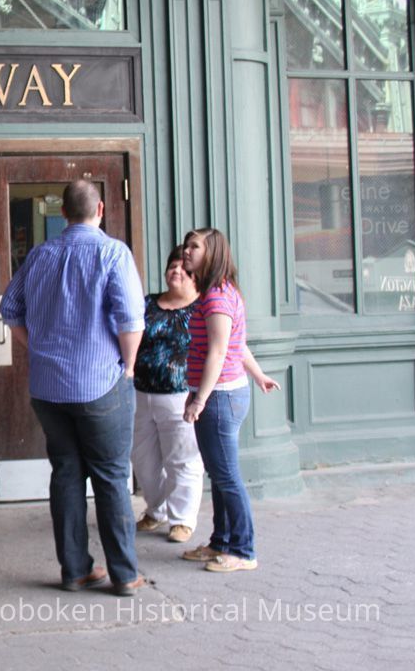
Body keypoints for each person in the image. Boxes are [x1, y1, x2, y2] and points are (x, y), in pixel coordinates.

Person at [0, 180, 146, 596]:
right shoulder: (113, 252)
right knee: (111, 476)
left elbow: (9, 309)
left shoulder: (39, 255)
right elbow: (130, 320)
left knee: (66, 473)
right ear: (100, 209)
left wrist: (38, 348)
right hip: (101, 384)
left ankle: (76, 570)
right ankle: (124, 574)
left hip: (48, 388)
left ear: (62, 212)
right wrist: (129, 366)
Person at [179, 227, 280, 573]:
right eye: (187, 245)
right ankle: (221, 542)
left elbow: (219, 351)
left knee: (227, 477)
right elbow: (238, 344)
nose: (186, 251)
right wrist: (259, 375)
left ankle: (243, 549)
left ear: (213, 253)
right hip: (221, 395)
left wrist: (199, 400)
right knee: (220, 474)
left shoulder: (217, 297)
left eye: (194, 247)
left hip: (220, 397)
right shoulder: (217, 292)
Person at [132, 246, 204, 544]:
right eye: (172, 266)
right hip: (140, 392)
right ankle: (156, 509)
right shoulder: (147, 304)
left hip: (180, 395)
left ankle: (183, 520)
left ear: (197, 277)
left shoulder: (202, 309)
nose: (176, 271)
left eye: (184, 269)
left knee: (182, 459)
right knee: (143, 460)